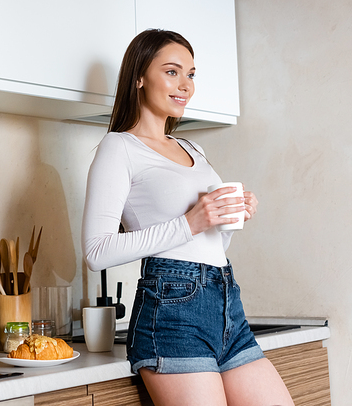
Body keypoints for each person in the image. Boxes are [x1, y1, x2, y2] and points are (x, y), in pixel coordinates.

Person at [82, 29, 294, 406]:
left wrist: (229, 217)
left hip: (226, 301)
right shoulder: (120, 147)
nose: (185, 85)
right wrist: (191, 221)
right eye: (172, 72)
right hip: (172, 311)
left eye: (191, 74)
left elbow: (206, 241)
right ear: (139, 77)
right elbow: (97, 251)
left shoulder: (192, 147)